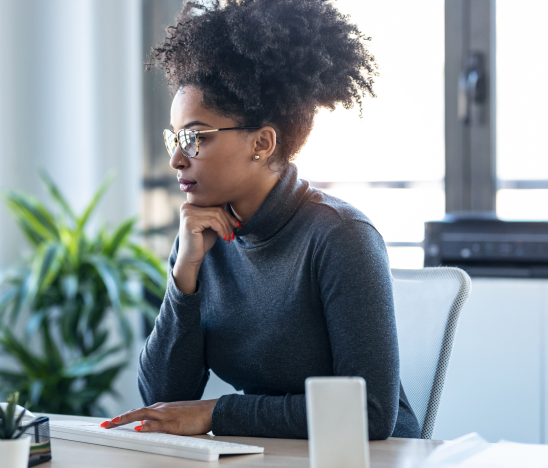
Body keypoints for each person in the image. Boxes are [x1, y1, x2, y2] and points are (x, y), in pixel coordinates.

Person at [101, 0, 420, 439]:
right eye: (174, 137)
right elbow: (162, 397)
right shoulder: (201, 237)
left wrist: (217, 413)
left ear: (263, 143)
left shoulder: (340, 236)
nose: (175, 158)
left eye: (194, 138)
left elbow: (369, 413)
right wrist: (184, 276)